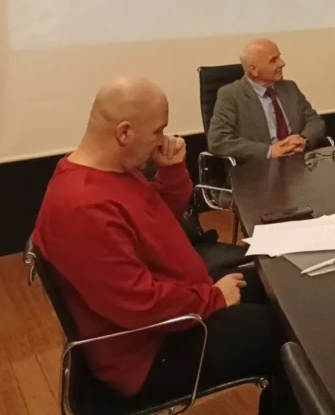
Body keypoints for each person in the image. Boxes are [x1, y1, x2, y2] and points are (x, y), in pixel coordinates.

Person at [33, 76, 293, 412]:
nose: (163, 140)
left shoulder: (112, 170)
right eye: (158, 131)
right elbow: (138, 303)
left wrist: (170, 172)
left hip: (173, 308)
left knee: (279, 285)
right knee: (286, 331)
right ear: (124, 133)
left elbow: (154, 222)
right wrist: (213, 298)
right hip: (149, 350)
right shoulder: (81, 207)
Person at [208, 38, 326, 162]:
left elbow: (315, 121)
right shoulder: (231, 95)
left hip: (299, 163)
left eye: (279, 57)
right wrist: (269, 151)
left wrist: (304, 139)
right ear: (254, 70)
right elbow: (218, 140)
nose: (282, 63)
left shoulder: (290, 87)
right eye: (273, 60)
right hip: (260, 167)